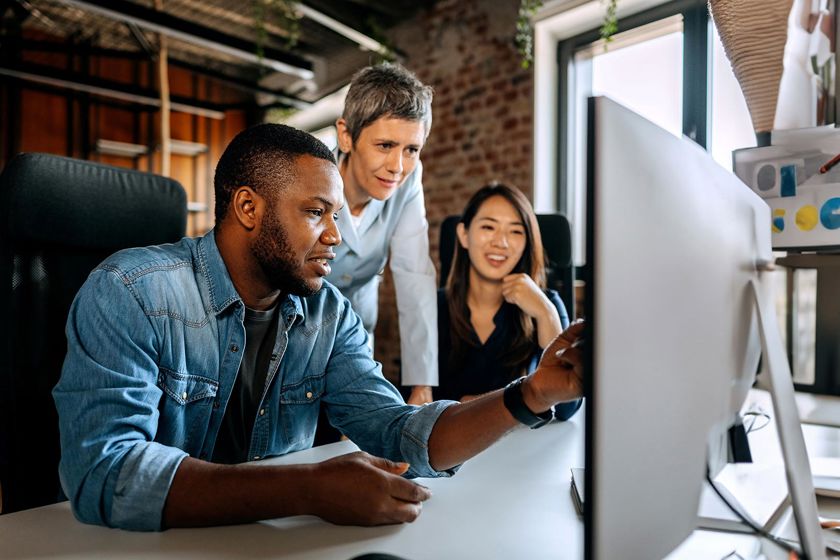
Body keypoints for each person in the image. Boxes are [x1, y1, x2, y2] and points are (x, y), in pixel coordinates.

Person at [52, 123, 584, 531]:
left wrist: (531, 393)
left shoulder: (326, 313)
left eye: (337, 216)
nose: (336, 236)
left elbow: (401, 433)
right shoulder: (132, 291)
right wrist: (305, 490)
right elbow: (107, 473)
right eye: (316, 213)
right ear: (247, 207)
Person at [328, 63, 437, 406]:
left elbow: (413, 272)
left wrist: (421, 383)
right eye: (385, 145)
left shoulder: (407, 180)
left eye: (411, 149)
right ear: (346, 136)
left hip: (357, 329)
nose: (398, 166)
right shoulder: (310, 181)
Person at [435, 184, 582, 421]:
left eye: (515, 231)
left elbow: (566, 409)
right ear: (463, 235)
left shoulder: (548, 304)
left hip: (522, 450)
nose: (501, 242)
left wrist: (546, 315)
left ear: (527, 242)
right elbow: (416, 400)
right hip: (451, 450)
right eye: (488, 227)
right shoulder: (433, 308)